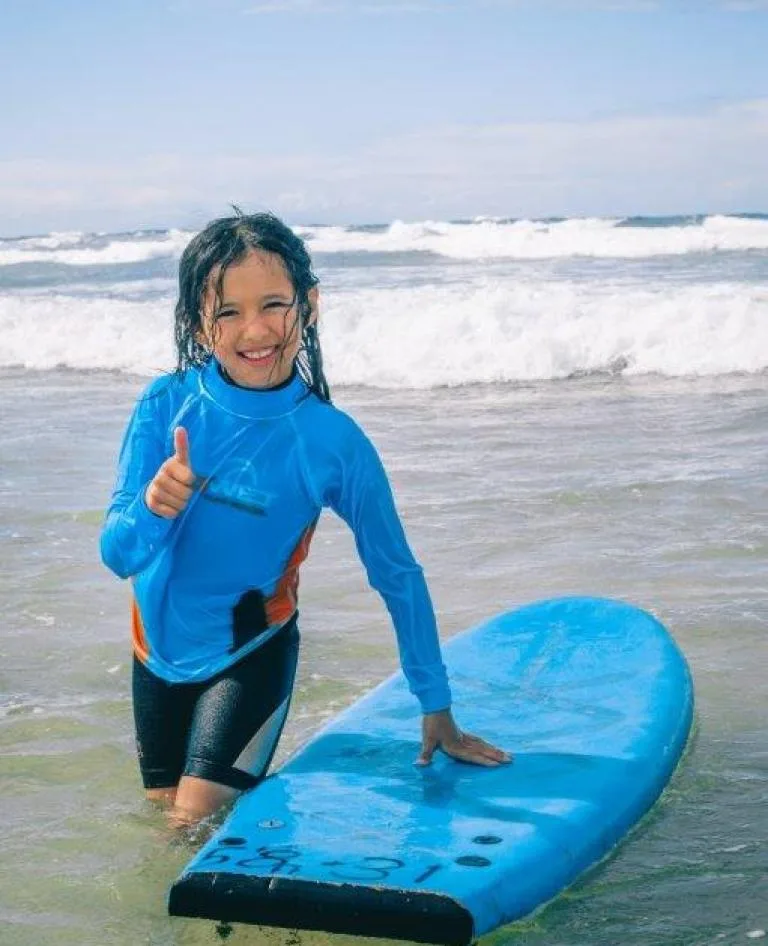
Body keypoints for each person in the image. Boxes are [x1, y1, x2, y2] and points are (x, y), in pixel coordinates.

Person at [100, 211, 510, 829]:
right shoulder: (165, 404)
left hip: (249, 653)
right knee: (163, 831)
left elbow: (397, 574)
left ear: (309, 304)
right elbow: (118, 553)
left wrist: (436, 706)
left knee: (192, 823)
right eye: (228, 311)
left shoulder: (331, 442)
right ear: (197, 322)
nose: (256, 329)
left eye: (273, 304)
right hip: (153, 656)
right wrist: (155, 508)